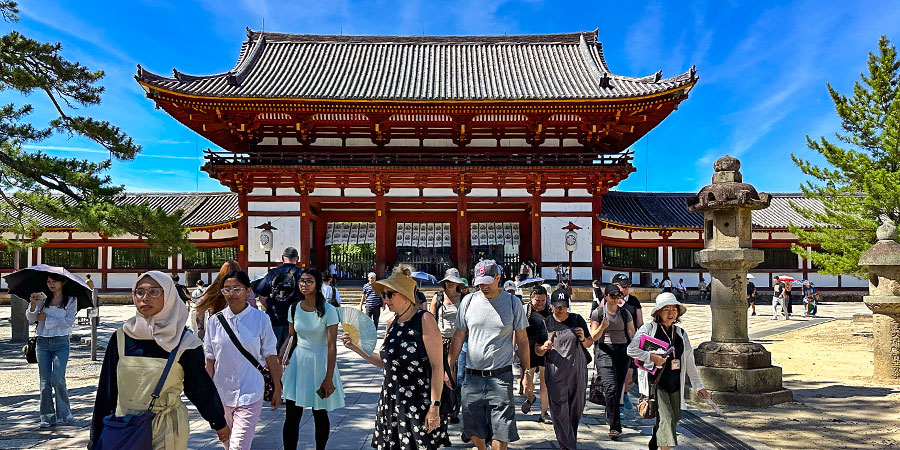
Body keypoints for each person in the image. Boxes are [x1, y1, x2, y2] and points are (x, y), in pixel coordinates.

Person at [89, 271, 229, 449]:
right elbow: (107, 390)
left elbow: (200, 388)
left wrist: (218, 421)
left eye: (154, 291)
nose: (145, 297)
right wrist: (96, 436)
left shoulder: (185, 342)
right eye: (140, 292)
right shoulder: (121, 337)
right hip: (126, 426)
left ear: (169, 295)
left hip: (167, 429)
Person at [343, 265, 450, 449]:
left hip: (418, 400)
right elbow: (386, 363)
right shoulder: (391, 323)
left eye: (389, 294)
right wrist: (355, 347)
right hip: (391, 400)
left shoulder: (424, 320)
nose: (385, 299)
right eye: (383, 295)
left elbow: (437, 366)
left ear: (405, 295)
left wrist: (435, 405)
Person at [449, 259, 531, 450]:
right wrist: (449, 366)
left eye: (487, 281)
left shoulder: (513, 303)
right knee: (473, 425)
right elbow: (459, 335)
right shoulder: (468, 301)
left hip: (500, 376)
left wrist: (526, 373)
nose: (483, 286)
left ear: (498, 278)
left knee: (502, 429)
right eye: (479, 282)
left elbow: (523, 340)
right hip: (472, 375)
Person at [204, 270, 283, 450]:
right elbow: (209, 359)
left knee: (239, 446)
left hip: (251, 391)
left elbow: (271, 355)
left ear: (248, 291)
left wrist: (278, 387)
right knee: (227, 443)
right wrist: (206, 393)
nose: (231, 294)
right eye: (226, 289)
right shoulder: (214, 321)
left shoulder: (261, 319)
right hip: (221, 392)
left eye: (236, 289)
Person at [628, 293, 709, 450]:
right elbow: (631, 350)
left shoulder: (680, 334)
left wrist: (699, 386)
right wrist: (651, 356)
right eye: (666, 309)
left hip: (674, 382)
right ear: (658, 312)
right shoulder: (648, 329)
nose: (671, 313)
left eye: (674, 309)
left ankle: (655, 439)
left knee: (675, 417)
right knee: (666, 417)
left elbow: (689, 361)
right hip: (656, 383)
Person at [281, 268, 344, 450]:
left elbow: (332, 345)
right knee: (292, 415)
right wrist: (280, 356)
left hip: (320, 363)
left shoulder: (329, 310)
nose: (304, 284)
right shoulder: (293, 308)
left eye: (309, 281)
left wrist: (329, 377)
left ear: (317, 284)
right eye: (302, 281)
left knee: (320, 413)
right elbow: (291, 337)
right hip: (298, 363)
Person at [542, 288, 592, 449]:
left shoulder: (577, 319)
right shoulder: (545, 323)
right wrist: (543, 347)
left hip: (577, 371)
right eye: (557, 306)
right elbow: (536, 349)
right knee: (559, 411)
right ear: (551, 305)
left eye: (563, 305)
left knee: (575, 410)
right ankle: (570, 446)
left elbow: (589, 343)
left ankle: (568, 443)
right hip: (556, 372)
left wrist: (583, 338)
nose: (560, 309)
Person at [26, 272, 78, 427]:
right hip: (42, 343)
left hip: (61, 342)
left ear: (63, 282)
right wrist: (33, 305)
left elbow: (68, 322)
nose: (51, 284)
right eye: (48, 281)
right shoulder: (43, 299)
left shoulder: (70, 300)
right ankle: (47, 416)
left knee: (58, 378)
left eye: (54, 281)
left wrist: (47, 319)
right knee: (45, 381)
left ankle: (64, 413)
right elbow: (30, 318)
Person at [589, 283, 634, 440]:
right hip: (604, 350)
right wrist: (602, 327)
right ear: (605, 296)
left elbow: (632, 334)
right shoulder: (598, 313)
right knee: (610, 387)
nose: (616, 299)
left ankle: (610, 413)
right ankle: (615, 425)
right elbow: (593, 337)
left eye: (618, 296)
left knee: (618, 386)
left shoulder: (625, 313)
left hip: (622, 352)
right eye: (612, 296)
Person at [431, 268, 466, 423]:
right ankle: (443, 407)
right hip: (441, 340)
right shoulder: (437, 298)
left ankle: (455, 409)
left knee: (457, 377)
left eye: (453, 281)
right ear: (444, 282)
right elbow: (431, 321)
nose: (450, 284)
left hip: (460, 341)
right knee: (440, 375)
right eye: (448, 281)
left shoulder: (465, 298)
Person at [255, 247, 303, 351]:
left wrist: (270, 307)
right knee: (294, 354)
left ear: (282, 258)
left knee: (274, 353)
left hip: (274, 318)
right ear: (297, 259)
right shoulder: (302, 274)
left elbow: (262, 296)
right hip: (297, 320)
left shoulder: (273, 273)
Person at [609, 273, 643, 416]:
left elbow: (640, 322)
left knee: (630, 379)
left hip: (632, 344)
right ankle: (618, 405)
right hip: (615, 344)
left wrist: (642, 340)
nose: (626, 289)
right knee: (618, 377)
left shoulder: (634, 301)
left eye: (628, 286)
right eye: (624, 286)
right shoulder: (608, 300)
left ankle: (625, 393)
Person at [521, 286, 552, 423]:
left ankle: (544, 413)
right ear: (531, 299)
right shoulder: (525, 311)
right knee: (528, 380)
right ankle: (531, 397)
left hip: (545, 347)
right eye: (537, 300)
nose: (540, 303)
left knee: (545, 381)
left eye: (543, 300)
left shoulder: (550, 312)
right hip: (528, 347)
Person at [195, 260, 243, 340]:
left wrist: (201, 329)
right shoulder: (245, 289)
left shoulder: (213, 289)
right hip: (241, 331)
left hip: (217, 331)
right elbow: (253, 307)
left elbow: (200, 308)